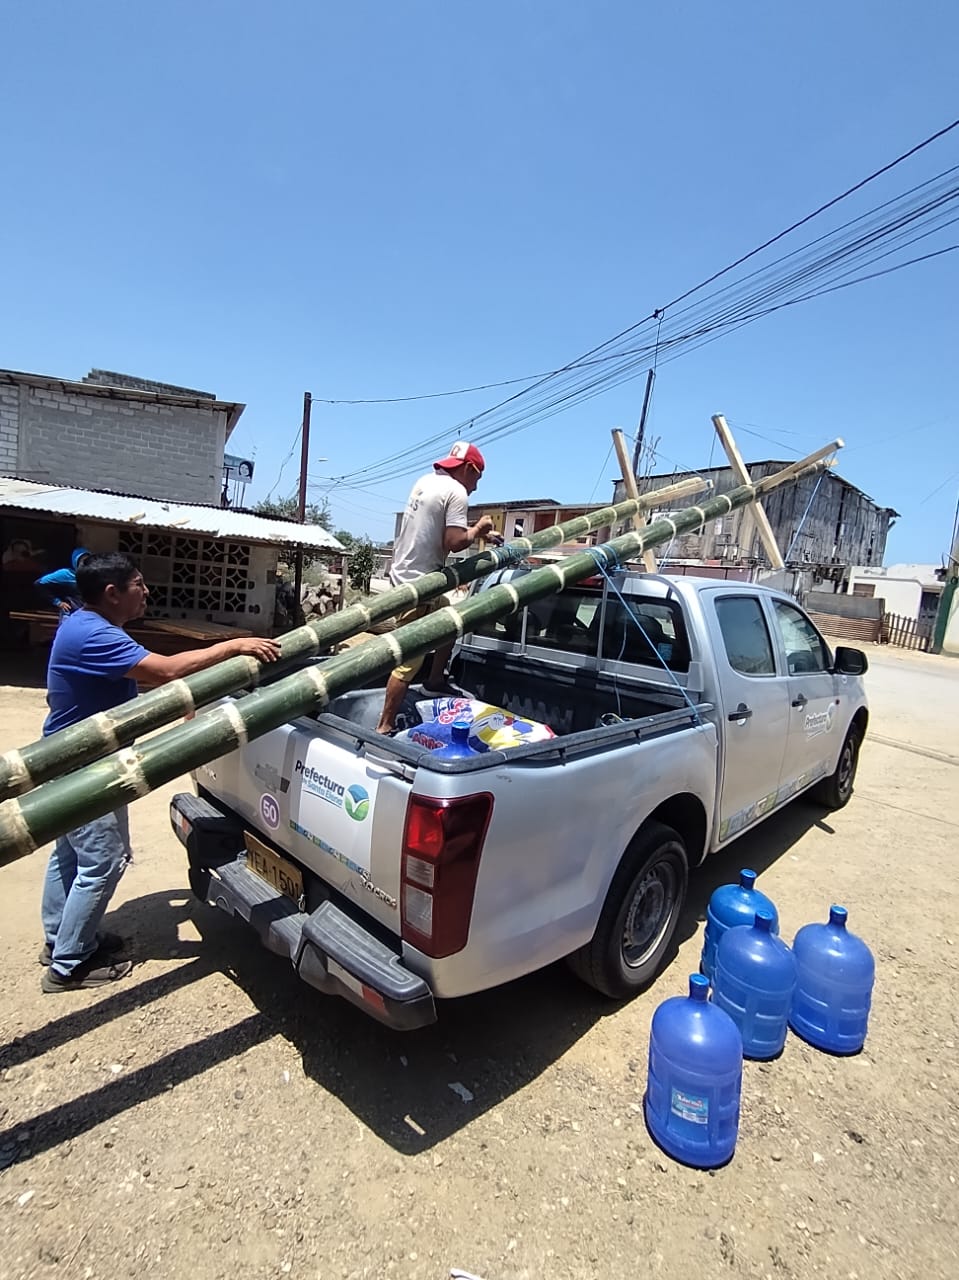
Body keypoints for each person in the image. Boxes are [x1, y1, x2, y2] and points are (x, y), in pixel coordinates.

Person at [40, 552, 281, 993]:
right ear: (112, 593)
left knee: (70, 856)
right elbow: (166, 671)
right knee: (103, 861)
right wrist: (235, 645)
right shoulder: (94, 633)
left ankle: (62, 939)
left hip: (71, 759)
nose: (146, 591)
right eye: (138, 583)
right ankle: (70, 963)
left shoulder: (85, 623)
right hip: (83, 766)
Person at [375, 441, 499, 735]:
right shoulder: (456, 491)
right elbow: (454, 542)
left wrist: (481, 534)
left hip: (406, 575)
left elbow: (435, 527)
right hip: (419, 587)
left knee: (451, 622)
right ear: (469, 469)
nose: (475, 487)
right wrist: (478, 529)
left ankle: (435, 681)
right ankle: (385, 725)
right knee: (409, 662)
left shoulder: (426, 482)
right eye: (477, 478)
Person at [34, 547, 92, 616]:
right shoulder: (66, 574)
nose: (86, 565)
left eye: (88, 561)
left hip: (89, 614)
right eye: (82, 561)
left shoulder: (93, 576)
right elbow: (39, 583)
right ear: (76, 562)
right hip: (71, 615)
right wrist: (58, 602)